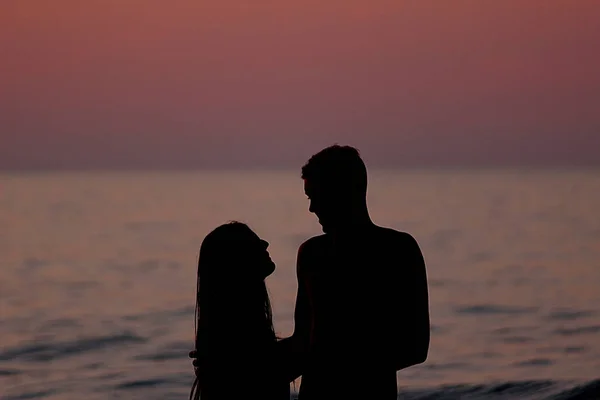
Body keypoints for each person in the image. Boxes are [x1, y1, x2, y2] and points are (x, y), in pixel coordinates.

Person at [278, 144, 430, 399]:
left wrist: (337, 363)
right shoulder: (311, 254)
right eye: (309, 198)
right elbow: (302, 341)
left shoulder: (398, 250)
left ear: (344, 193)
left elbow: (415, 347)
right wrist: (234, 363)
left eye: (317, 196)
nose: (311, 208)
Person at [189, 221, 290, 400]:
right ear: (236, 262)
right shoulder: (245, 349)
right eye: (252, 241)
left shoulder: (229, 346)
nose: (265, 243)